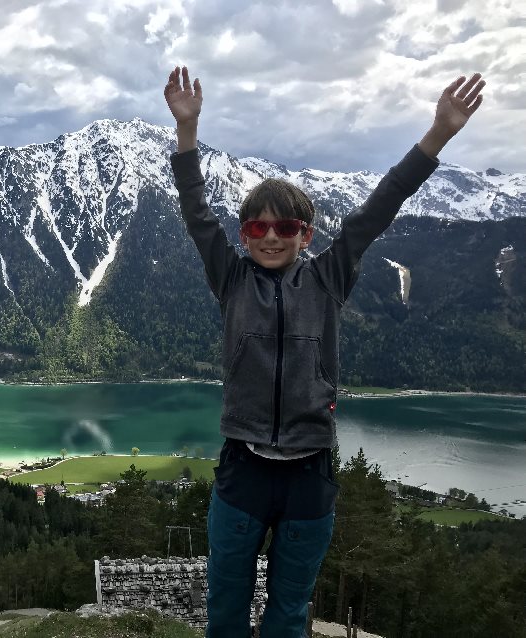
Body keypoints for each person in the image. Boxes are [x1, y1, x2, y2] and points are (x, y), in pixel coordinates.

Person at [163, 66, 485, 637]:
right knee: (226, 602)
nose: (270, 236)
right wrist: (187, 133)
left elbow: (379, 208)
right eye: (256, 228)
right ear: (242, 235)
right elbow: (196, 211)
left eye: (285, 225)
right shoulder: (231, 280)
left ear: (306, 234)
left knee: (290, 608)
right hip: (243, 467)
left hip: (311, 468)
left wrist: (437, 136)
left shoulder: (330, 277)